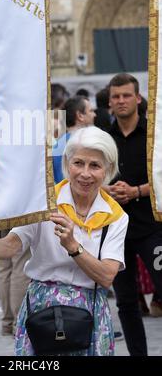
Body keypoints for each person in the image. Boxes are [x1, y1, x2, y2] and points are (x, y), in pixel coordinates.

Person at [0, 126, 129, 356]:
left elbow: (106, 275)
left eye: (95, 166)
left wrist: (73, 247)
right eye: (78, 163)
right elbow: (11, 245)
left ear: (108, 169)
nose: (85, 173)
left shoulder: (116, 216)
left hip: (88, 310)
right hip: (42, 306)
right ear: (67, 163)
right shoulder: (43, 202)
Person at [107, 73, 162, 356]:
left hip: (152, 228)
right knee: (126, 303)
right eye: (115, 96)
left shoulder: (155, 134)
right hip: (115, 233)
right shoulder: (102, 136)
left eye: (126, 95)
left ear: (137, 98)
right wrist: (107, 190)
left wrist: (136, 191)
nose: (121, 101)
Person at [53, 96, 95, 184]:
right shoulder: (82, 143)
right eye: (91, 111)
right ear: (80, 116)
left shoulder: (58, 143)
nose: (94, 114)